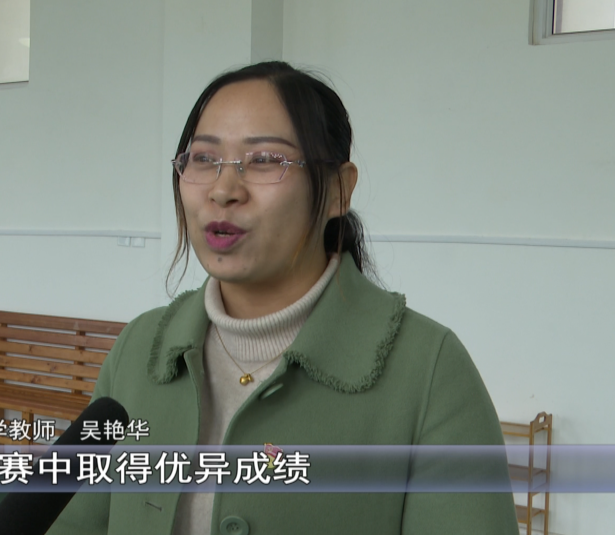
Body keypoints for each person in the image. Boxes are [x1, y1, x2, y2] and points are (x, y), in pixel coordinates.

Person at [47, 61, 518, 535]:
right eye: (204, 159)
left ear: (337, 190)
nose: (223, 190)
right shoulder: (139, 348)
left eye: (265, 160)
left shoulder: (429, 371)